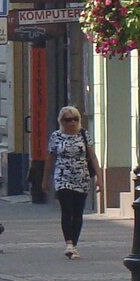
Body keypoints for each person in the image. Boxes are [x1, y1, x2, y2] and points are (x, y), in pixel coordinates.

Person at [46, 105, 101, 259]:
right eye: (68, 120)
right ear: (61, 121)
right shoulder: (56, 136)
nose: (71, 123)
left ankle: (74, 245)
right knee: (67, 210)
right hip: (62, 177)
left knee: (78, 213)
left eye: (75, 119)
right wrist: (45, 180)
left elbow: (93, 157)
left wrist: (99, 178)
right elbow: (50, 159)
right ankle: (69, 243)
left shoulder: (84, 135)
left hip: (81, 178)